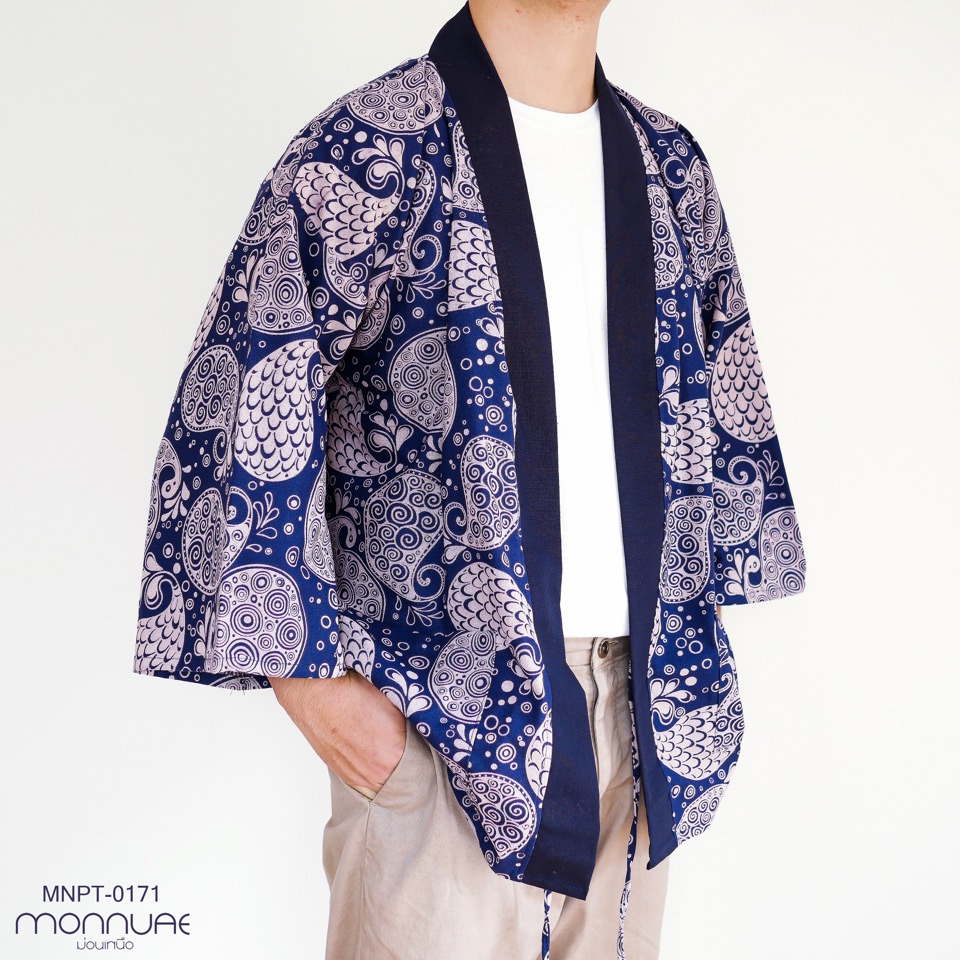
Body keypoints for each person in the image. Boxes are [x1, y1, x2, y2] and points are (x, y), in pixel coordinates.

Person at [133, 1, 807, 957]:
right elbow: (246, 393)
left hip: (642, 713)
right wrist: (311, 685)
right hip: (439, 720)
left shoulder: (670, 165)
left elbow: (722, 403)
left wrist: (694, 651)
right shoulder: (370, 148)